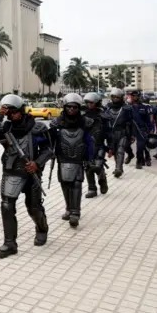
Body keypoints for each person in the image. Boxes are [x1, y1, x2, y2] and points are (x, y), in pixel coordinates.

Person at [0, 94, 53, 259]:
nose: (12, 115)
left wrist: (37, 163)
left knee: (33, 208)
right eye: (8, 113)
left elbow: (48, 149)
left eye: (14, 112)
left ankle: (42, 228)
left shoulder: (38, 128)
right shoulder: (6, 128)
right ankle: (10, 244)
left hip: (31, 173)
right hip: (11, 172)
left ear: (21, 110)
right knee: (7, 206)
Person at [48, 93, 94, 228]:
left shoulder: (86, 122)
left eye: (75, 107)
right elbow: (50, 141)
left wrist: (90, 158)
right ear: (64, 107)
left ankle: (75, 213)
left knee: (76, 184)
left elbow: (90, 141)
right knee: (65, 184)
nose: (72, 110)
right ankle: (68, 208)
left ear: (79, 108)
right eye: (69, 107)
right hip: (63, 157)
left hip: (79, 158)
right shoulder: (56, 123)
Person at [83, 92, 110, 198]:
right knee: (88, 167)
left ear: (97, 103)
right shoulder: (83, 116)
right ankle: (92, 189)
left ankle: (102, 179)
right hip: (87, 146)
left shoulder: (103, 116)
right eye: (87, 102)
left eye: (91, 102)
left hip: (99, 145)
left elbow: (108, 132)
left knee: (98, 165)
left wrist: (111, 147)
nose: (89, 104)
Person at [104, 88, 134, 178]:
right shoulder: (107, 107)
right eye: (114, 97)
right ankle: (118, 167)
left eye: (117, 97)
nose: (115, 98)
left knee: (121, 149)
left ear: (121, 97)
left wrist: (132, 134)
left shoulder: (127, 108)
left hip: (123, 132)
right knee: (114, 150)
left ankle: (118, 169)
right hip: (111, 133)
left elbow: (132, 122)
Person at [128, 89, 153, 169]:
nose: (133, 97)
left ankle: (141, 160)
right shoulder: (128, 107)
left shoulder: (144, 106)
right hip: (131, 129)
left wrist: (151, 128)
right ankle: (131, 156)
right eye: (132, 96)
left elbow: (148, 120)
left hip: (141, 129)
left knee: (141, 146)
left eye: (135, 96)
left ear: (138, 96)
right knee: (125, 145)